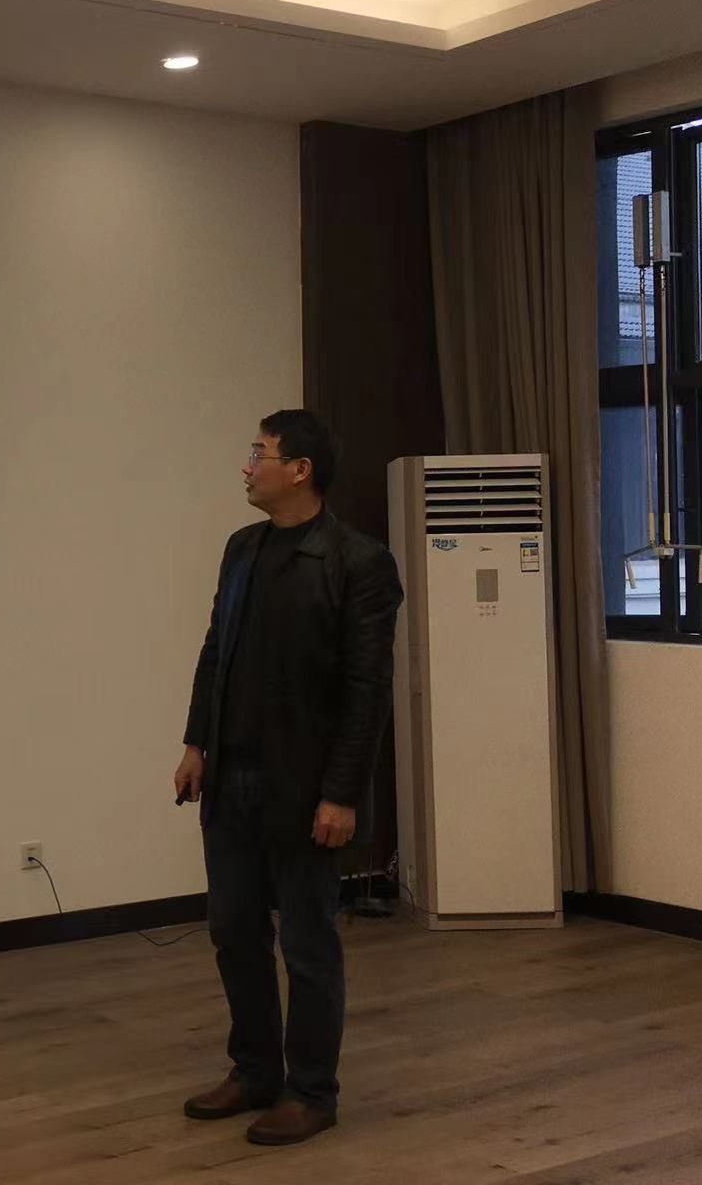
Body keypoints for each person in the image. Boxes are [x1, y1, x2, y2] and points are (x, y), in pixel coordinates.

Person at [173, 409, 403, 1146]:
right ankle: (254, 1072)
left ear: (300, 470)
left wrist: (342, 794)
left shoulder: (359, 562)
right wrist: (196, 743)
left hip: (306, 789)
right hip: (232, 777)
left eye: (260, 453)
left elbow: (368, 691)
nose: (247, 467)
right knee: (234, 934)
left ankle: (311, 1092)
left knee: (307, 944)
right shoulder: (242, 548)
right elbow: (217, 651)